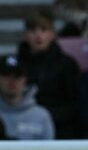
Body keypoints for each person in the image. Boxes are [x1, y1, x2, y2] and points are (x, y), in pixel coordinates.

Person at [18, 10, 82, 139]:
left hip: (60, 127)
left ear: (53, 34)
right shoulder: (16, 66)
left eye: (43, 29)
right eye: (32, 30)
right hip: (23, 126)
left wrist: (46, 116)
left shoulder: (66, 64)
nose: (38, 35)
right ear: (25, 35)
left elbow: (75, 102)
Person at [0, 55, 56, 141]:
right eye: (6, 75)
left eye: (17, 76)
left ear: (25, 79)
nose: (12, 81)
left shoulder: (41, 116)